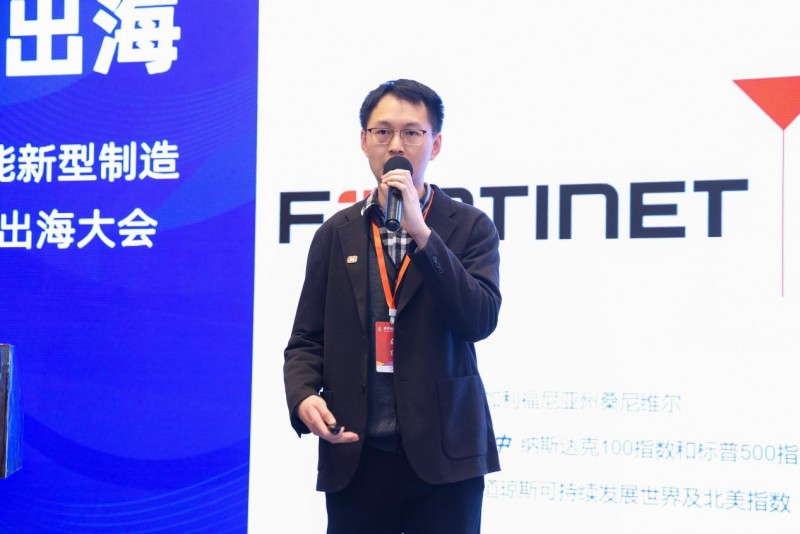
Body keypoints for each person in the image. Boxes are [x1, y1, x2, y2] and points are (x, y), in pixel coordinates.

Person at [283, 79, 501, 533]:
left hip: (446, 455)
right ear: (364, 142)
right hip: (357, 453)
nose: (396, 145)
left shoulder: (470, 227)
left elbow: (478, 319)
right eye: (382, 132)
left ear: (435, 144)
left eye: (412, 133)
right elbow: (306, 339)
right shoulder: (335, 234)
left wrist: (423, 234)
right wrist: (303, 394)